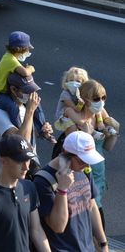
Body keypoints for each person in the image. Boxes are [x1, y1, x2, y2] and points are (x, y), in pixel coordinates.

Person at [58, 80, 119, 231]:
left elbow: (108, 147)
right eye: (97, 99)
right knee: (91, 229)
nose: (101, 102)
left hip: (98, 176)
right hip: (82, 179)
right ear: (85, 99)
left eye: (103, 98)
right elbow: (72, 151)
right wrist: (87, 134)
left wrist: (115, 131)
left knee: (95, 230)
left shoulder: (100, 118)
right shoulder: (72, 120)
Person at [33, 131, 109, 252]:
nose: (86, 164)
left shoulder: (84, 170)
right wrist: (62, 190)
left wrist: (103, 243)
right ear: (65, 154)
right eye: (82, 160)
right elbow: (58, 226)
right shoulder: (43, 181)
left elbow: (92, 206)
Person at [0, 31, 55, 143]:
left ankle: (43, 129)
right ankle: (21, 128)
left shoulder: (11, 58)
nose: (28, 51)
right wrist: (32, 68)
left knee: (35, 103)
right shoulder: (9, 59)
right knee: (13, 107)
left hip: (7, 92)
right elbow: (25, 72)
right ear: (19, 49)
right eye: (27, 49)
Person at [0, 73, 43, 176]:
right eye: (26, 91)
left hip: (31, 163)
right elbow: (21, 141)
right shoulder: (0, 113)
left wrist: (43, 130)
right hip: (15, 168)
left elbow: (32, 134)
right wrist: (30, 111)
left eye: (32, 91)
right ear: (13, 89)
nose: (30, 95)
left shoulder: (25, 107)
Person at [53, 67, 90, 132]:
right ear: (66, 81)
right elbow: (76, 109)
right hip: (64, 117)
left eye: (78, 81)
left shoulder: (83, 93)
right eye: (71, 80)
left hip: (77, 115)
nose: (74, 83)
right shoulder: (65, 94)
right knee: (70, 113)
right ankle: (86, 127)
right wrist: (81, 103)